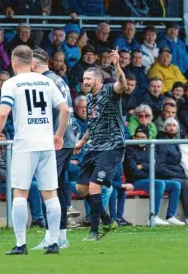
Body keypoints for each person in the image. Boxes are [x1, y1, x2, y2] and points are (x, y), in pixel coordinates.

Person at [0, 45, 70, 255]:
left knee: (19, 194)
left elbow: (2, 113)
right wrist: (59, 134)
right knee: (50, 194)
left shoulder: (11, 83)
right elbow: (64, 109)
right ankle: (54, 242)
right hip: (46, 144)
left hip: (25, 145)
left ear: (14, 62)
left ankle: (20, 244)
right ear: (32, 62)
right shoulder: (46, 81)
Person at [73, 47, 127, 241]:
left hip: (112, 147)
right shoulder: (89, 98)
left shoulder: (109, 90)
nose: (85, 82)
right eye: (84, 79)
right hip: (94, 147)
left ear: (98, 80)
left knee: (95, 187)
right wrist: (82, 140)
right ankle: (107, 220)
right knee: (81, 188)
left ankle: (94, 232)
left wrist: (117, 65)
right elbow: (92, 124)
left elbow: (122, 84)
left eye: (88, 79)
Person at [30, 48, 74, 250]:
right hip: (66, 139)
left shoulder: (44, 82)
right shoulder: (59, 79)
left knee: (48, 188)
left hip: (55, 141)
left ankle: (51, 236)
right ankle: (61, 236)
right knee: (61, 188)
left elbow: (50, 113)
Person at [124, 126, 184, 226]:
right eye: (137, 137)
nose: (140, 139)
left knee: (176, 185)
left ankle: (170, 216)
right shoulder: (130, 150)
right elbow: (134, 172)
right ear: (134, 137)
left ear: (147, 138)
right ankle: (153, 217)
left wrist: (143, 165)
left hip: (151, 179)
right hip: (136, 181)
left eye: (142, 137)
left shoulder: (150, 148)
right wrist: (150, 166)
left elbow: (159, 168)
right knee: (159, 184)